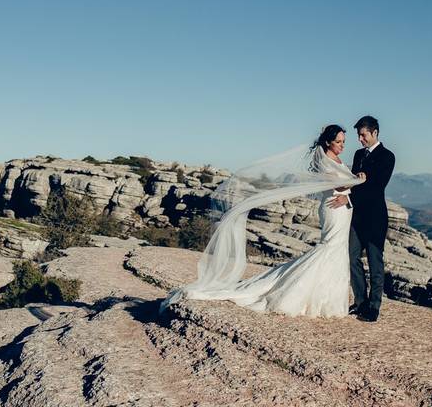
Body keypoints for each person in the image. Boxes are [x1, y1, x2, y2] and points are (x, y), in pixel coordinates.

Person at [160, 124, 364, 317]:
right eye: (338, 142)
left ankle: (327, 299)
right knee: (329, 248)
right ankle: (302, 296)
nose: (342, 145)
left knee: (337, 250)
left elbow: (343, 185)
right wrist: (359, 181)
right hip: (333, 208)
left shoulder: (337, 160)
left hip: (344, 208)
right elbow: (335, 185)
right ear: (328, 142)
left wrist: (353, 183)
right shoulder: (324, 161)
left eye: (343, 142)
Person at [327, 115, 395, 322]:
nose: (360, 139)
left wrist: (347, 197)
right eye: (358, 135)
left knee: (375, 262)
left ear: (374, 133)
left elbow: (376, 187)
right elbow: (353, 182)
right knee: (352, 257)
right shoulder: (358, 155)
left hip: (375, 218)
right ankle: (360, 301)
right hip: (356, 217)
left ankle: (374, 307)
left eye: (363, 135)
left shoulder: (387, 156)